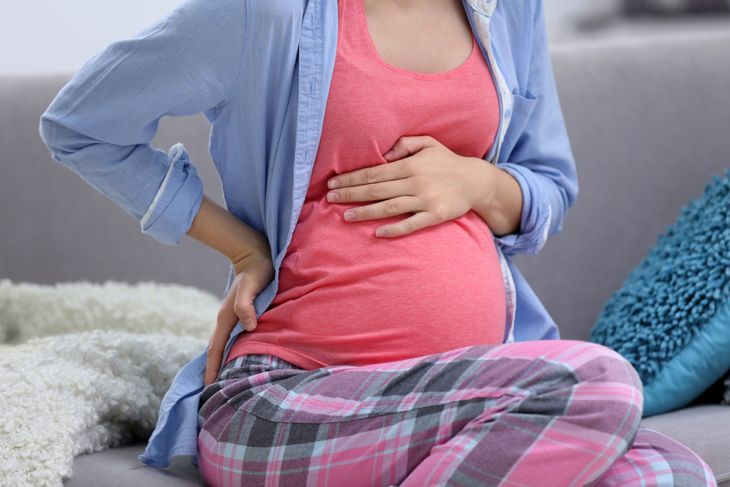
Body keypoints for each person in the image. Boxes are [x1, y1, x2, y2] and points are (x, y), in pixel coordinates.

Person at [38, 0, 717, 485]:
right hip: (286, 402)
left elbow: (549, 188)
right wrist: (245, 248)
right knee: (596, 384)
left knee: (671, 471)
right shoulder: (262, 13)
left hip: (470, 405)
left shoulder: (508, 8)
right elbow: (80, 124)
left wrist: (475, 181)